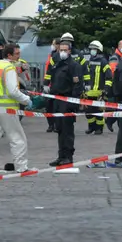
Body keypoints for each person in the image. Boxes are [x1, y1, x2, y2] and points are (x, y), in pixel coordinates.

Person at [0, 43, 33, 176]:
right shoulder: (8, 69)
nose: (19, 57)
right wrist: (26, 100)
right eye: (17, 54)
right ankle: (21, 167)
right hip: (7, 109)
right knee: (18, 138)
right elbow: (13, 91)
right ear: (9, 55)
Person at [45, 38, 84, 166]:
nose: (62, 52)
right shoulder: (57, 64)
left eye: (64, 50)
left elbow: (78, 86)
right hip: (57, 100)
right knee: (60, 130)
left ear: (69, 51)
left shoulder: (74, 66)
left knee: (67, 131)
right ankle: (61, 156)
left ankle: (68, 156)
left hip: (67, 101)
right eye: (60, 50)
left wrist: (73, 103)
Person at [84, 40, 112, 135]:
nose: (92, 51)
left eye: (94, 49)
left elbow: (109, 77)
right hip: (89, 92)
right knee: (88, 111)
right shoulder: (89, 61)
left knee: (98, 111)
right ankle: (91, 127)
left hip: (99, 92)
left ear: (99, 50)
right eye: (91, 49)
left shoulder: (103, 62)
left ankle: (99, 128)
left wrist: (106, 90)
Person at [105, 40, 122, 133]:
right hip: (116, 85)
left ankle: (111, 121)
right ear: (118, 46)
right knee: (117, 105)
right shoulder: (115, 58)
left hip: (121, 85)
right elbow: (113, 71)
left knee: (118, 106)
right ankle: (111, 121)